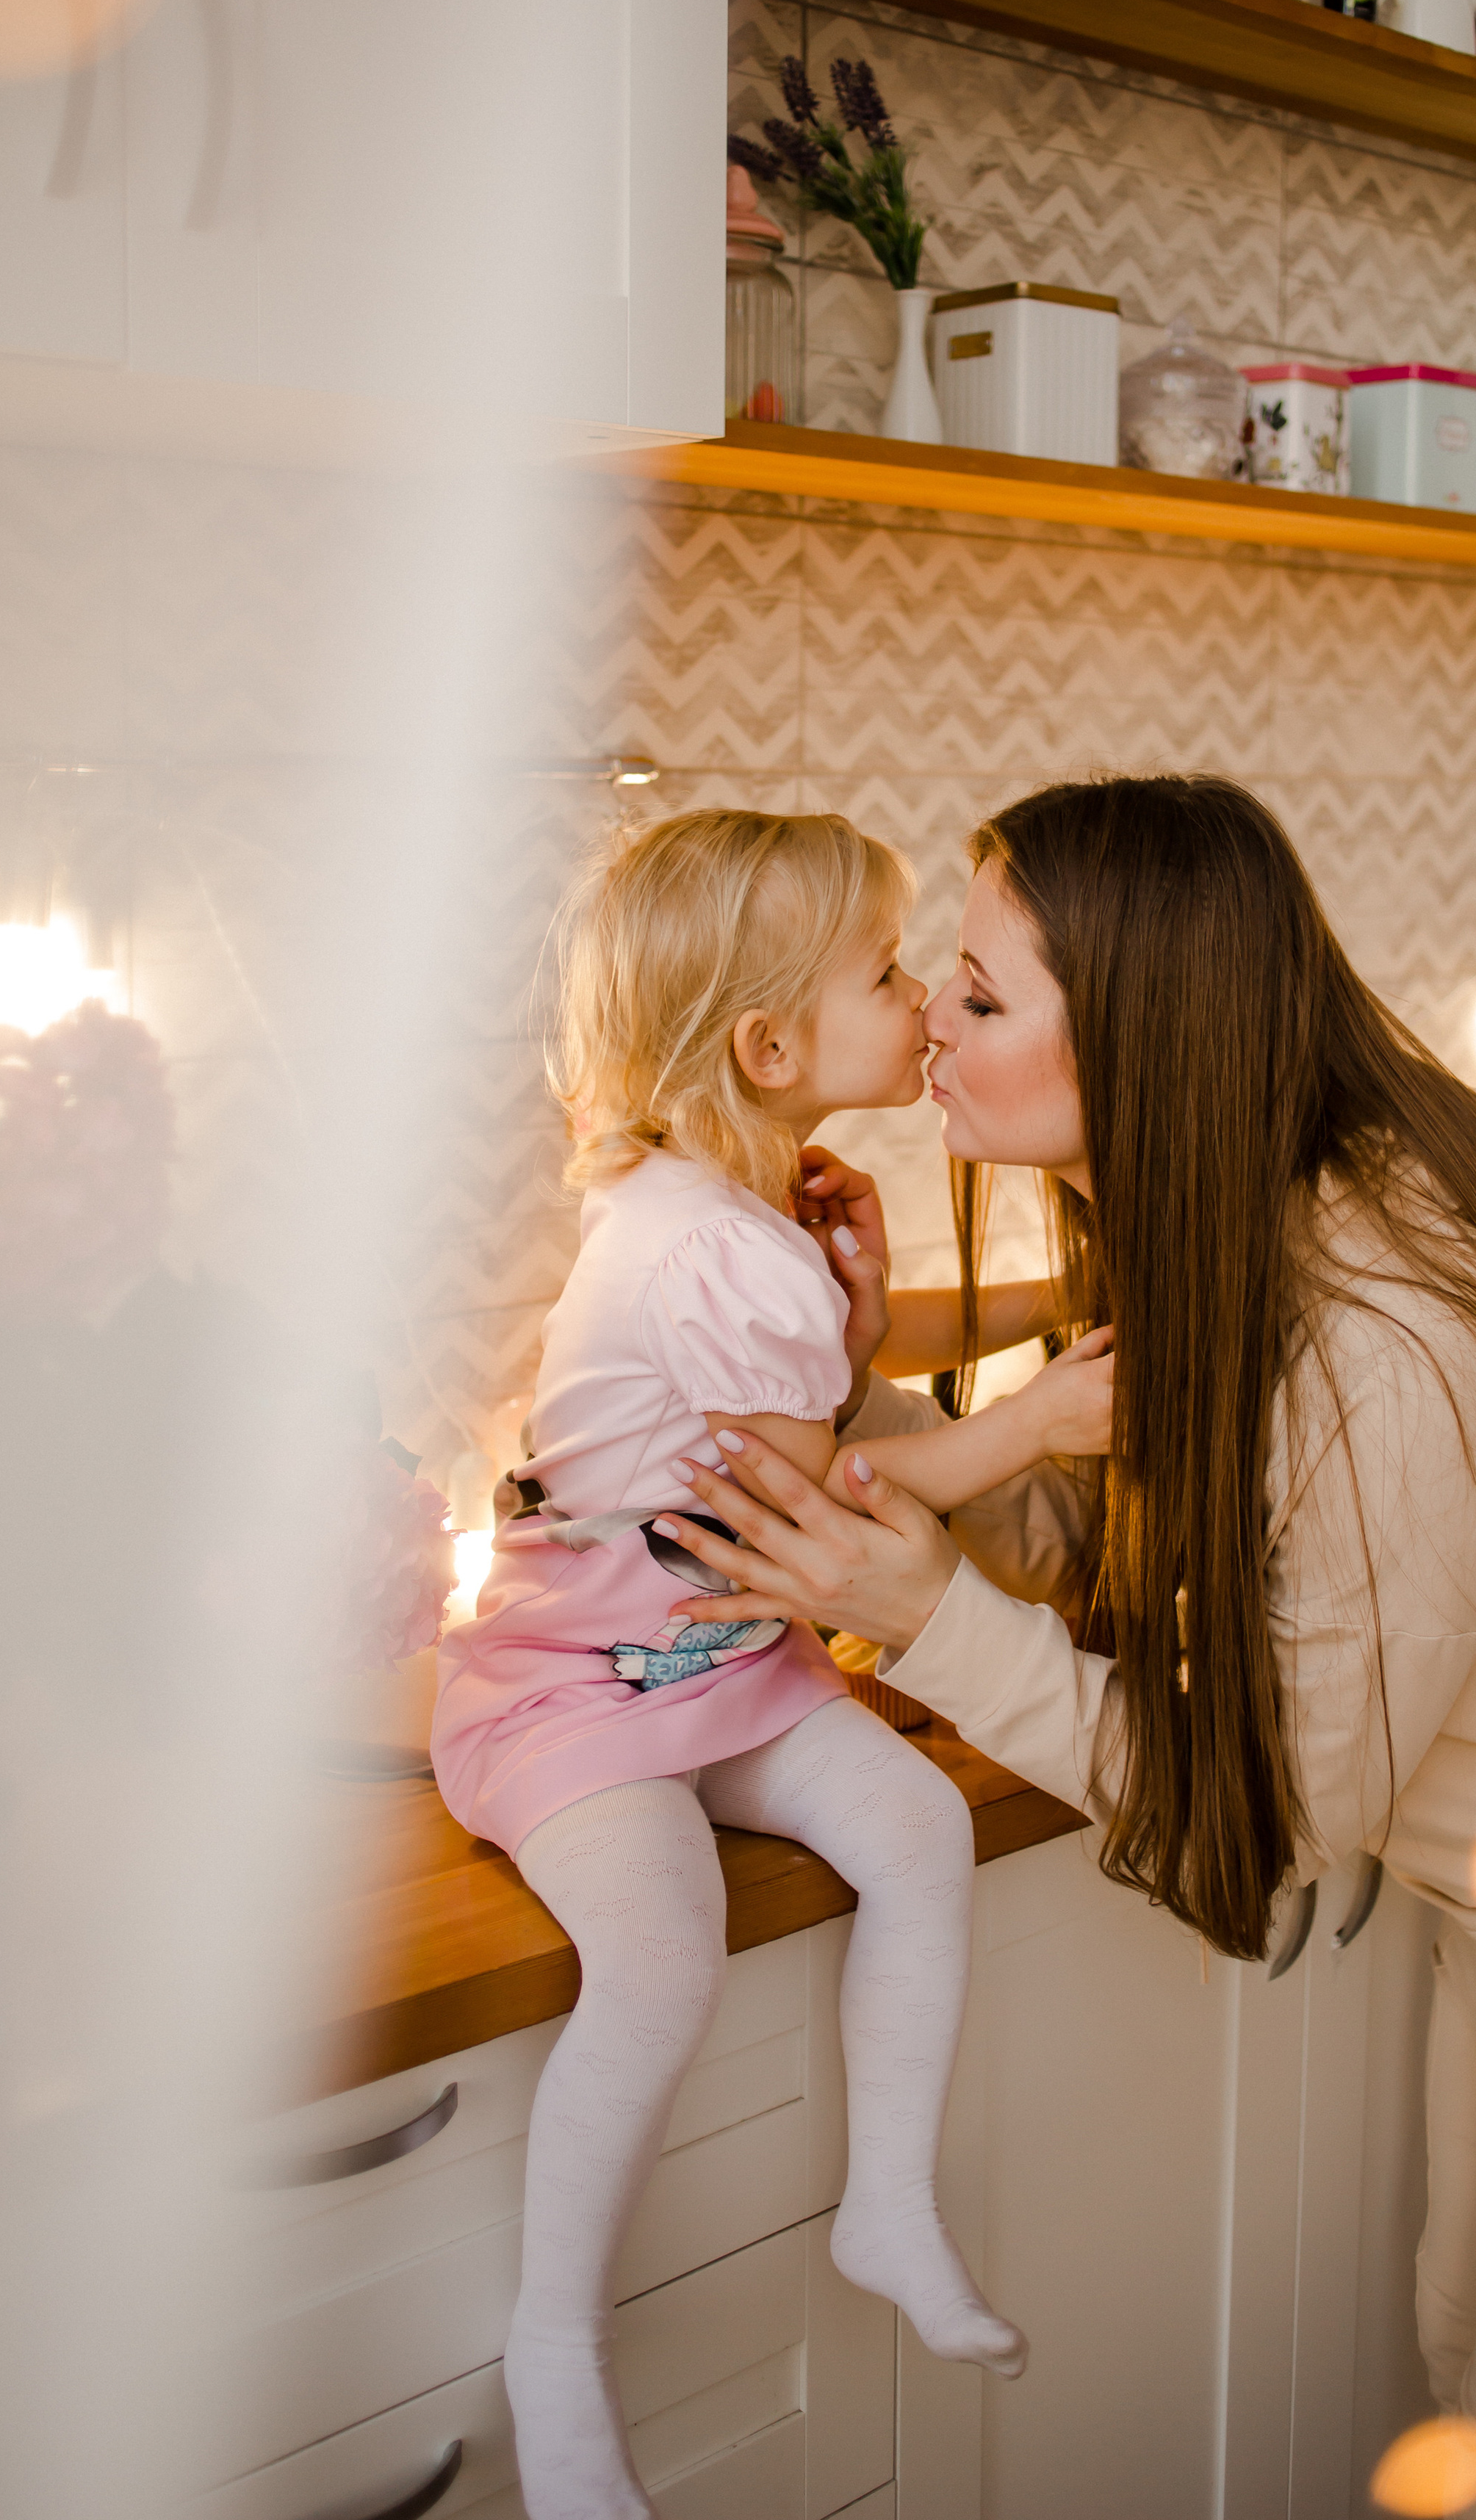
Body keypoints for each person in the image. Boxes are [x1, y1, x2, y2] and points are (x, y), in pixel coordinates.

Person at [663, 773, 1476, 2519]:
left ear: (1136, 1024)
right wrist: (855, 1371)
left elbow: (1278, 1820)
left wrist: (933, 1628)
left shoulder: (1394, 1330)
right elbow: (1124, 1540)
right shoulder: (1229, 1193)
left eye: (978, 999)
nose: (930, 1036)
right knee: (1467, 2359)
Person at [431, 808, 1111, 2520]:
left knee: (916, 1831)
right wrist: (1027, 1419)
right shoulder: (707, 1248)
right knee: (659, 1957)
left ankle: (885, 2201)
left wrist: (876, 1331)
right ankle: (552, 2347)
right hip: (579, 1688)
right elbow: (827, 1491)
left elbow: (798, 1425)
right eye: (887, 977)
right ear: (769, 1047)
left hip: (718, 1655)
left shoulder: (725, 1210)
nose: (918, 1007)